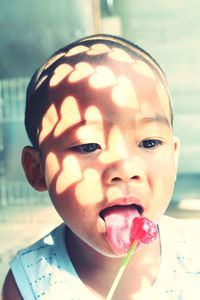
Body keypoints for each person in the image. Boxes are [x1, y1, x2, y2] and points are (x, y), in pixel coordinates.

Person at [2, 34, 200, 300]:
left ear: (174, 157)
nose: (124, 168)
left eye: (149, 142)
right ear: (37, 170)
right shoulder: (30, 282)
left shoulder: (194, 254)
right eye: (88, 146)